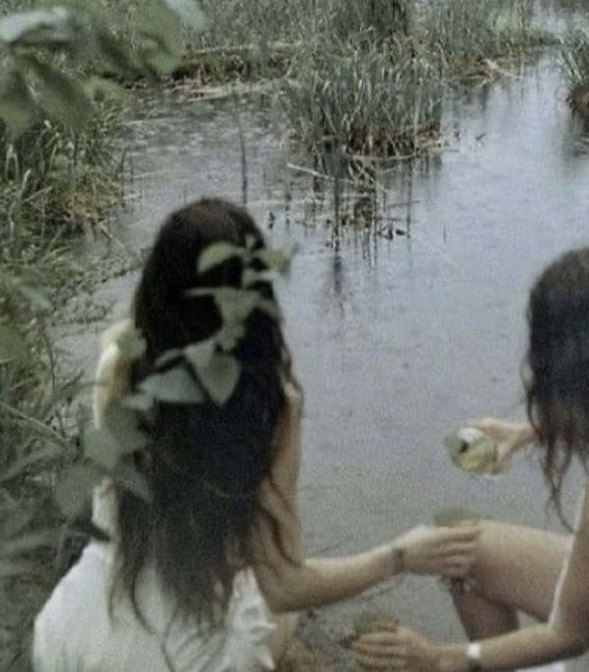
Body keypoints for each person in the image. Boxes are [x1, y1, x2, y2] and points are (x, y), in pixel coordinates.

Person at [33, 198, 480, 671]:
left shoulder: (119, 363)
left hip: (73, 631)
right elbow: (286, 585)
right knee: (268, 608)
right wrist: (400, 556)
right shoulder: (272, 408)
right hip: (190, 654)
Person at [355, 242, 589, 671]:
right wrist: (526, 434)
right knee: (463, 552)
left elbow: (568, 636)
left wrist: (444, 658)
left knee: (462, 559)